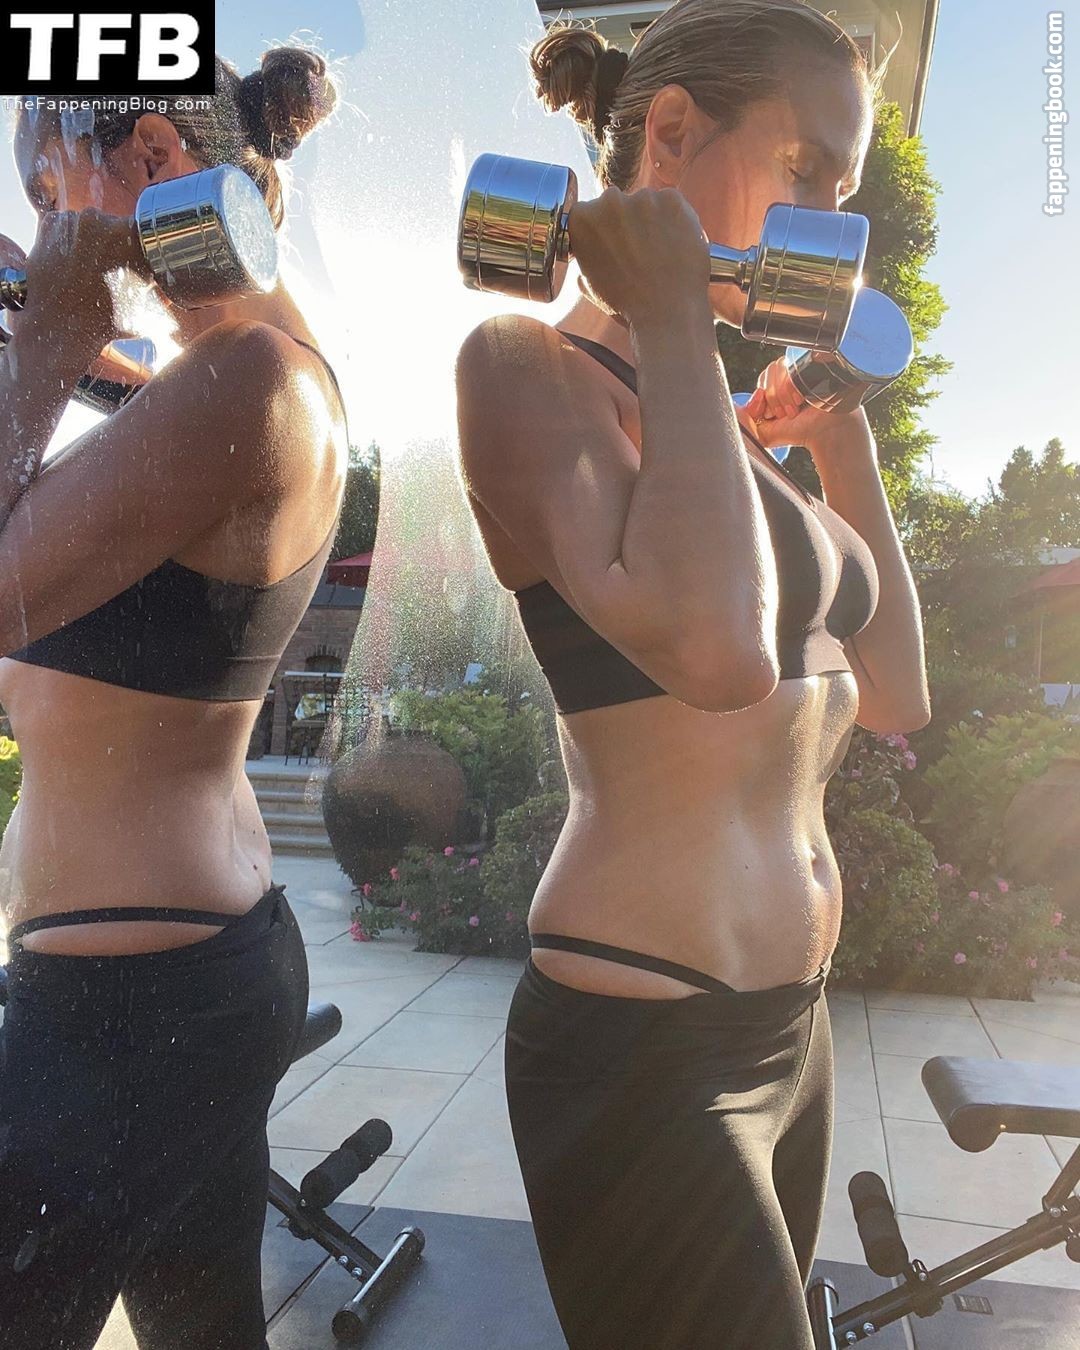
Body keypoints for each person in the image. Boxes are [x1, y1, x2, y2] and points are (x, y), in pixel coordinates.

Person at [455, 3, 929, 1347]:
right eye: (805, 169)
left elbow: (899, 693)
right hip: (643, 1036)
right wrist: (671, 310)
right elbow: (720, 658)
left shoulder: (717, 427)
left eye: (844, 190)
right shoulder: (524, 366)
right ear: (670, 131)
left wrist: (840, 447)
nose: (830, 221)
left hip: (792, 1026)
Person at [0, 45, 347, 1350]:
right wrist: (49, 328)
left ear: (149, 152)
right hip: (173, 979)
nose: (52, 233)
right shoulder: (232, 374)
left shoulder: (249, 378)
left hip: (129, 1006)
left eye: (52, 193)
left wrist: (46, 336)